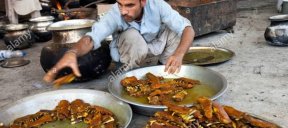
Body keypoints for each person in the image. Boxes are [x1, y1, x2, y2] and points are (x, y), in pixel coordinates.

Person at [43, 0, 195, 83]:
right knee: (132, 36)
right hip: (128, 55)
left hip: (152, 47)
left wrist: (179, 54)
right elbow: (91, 38)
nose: (123, 11)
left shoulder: (158, 5)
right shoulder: (115, 14)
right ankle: (129, 78)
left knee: (176, 31)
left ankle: (165, 71)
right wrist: (72, 52)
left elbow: (188, 29)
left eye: (130, 5)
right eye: (120, 4)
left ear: (143, 2)